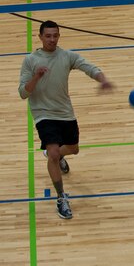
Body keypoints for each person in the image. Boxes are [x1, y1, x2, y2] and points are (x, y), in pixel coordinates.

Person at [19, 20, 113, 219]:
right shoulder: (31, 60)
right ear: (40, 37)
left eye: (55, 36)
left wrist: (102, 79)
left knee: (73, 149)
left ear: (59, 36)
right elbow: (23, 93)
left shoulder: (66, 56)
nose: (52, 39)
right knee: (52, 152)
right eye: (48, 36)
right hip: (43, 113)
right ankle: (61, 197)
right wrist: (36, 77)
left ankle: (59, 155)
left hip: (64, 112)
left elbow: (88, 66)